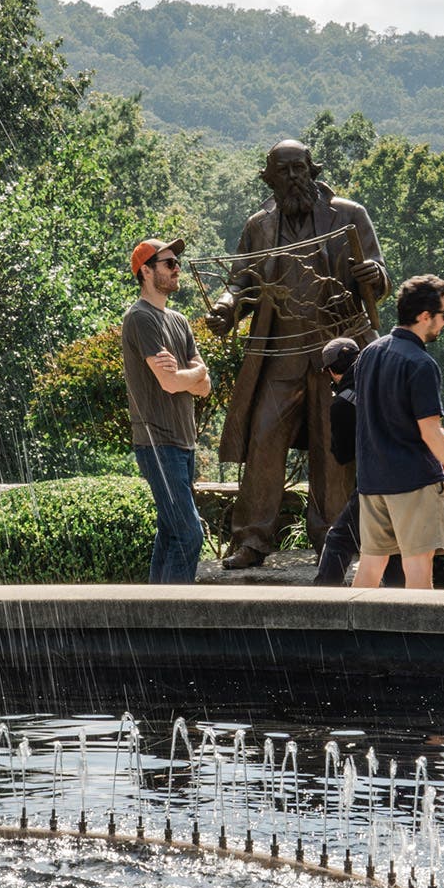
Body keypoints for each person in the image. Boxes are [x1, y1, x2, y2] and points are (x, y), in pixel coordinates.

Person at [204, 140, 387, 569]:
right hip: (280, 354)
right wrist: (226, 308)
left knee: (332, 447)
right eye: (283, 171)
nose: (293, 178)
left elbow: (379, 273)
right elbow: (240, 281)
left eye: (300, 169)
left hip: (335, 356)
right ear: (269, 177)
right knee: (264, 440)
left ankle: (332, 540)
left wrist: (373, 275)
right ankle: (251, 540)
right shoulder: (259, 225)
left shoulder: (348, 215)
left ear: (313, 170)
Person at [350, 275, 444, 590]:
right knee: (418, 572)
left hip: (371, 481)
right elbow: (431, 433)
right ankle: (417, 641)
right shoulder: (421, 364)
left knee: (369, 567)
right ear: (425, 317)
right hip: (414, 482)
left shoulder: (369, 353)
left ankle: (351, 639)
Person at [121, 237, 211, 583]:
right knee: (190, 535)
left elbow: (204, 386)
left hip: (183, 443)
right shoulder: (140, 318)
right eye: (169, 264)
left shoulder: (179, 320)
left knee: (171, 533)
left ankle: (153, 616)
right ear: (145, 271)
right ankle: (175, 620)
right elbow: (170, 383)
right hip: (157, 443)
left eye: (176, 263)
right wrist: (192, 374)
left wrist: (190, 375)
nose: (177, 270)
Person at [312, 338, 399, 587]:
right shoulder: (385, 384)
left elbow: (342, 455)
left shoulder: (343, 403)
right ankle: (401, 605)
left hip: (375, 481)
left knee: (340, 538)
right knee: (394, 544)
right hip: (409, 477)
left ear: (331, 371)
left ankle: (322, 604)